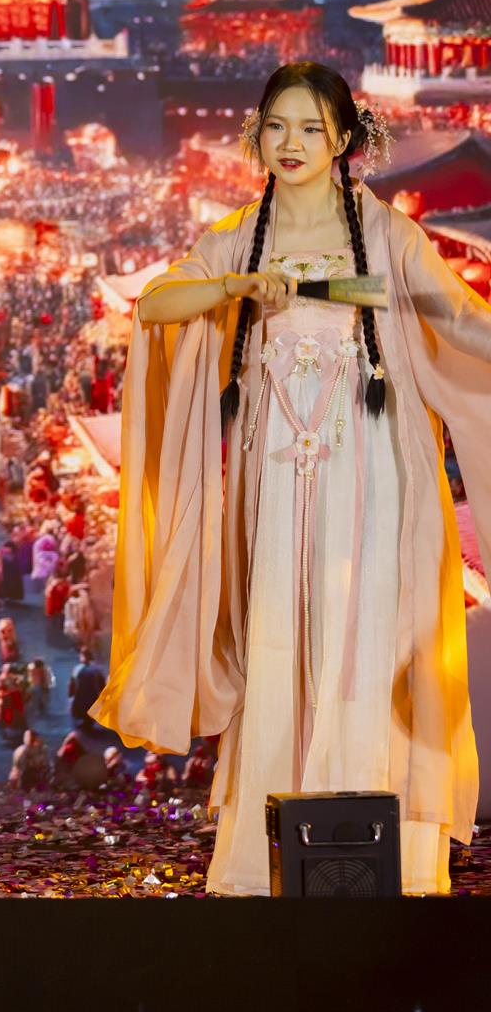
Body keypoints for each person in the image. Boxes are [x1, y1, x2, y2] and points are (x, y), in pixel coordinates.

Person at [96, 60, 491, 896]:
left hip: (371, 467)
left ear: (344, 139)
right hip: (274, 475)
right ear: (256, 134)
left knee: (368, 640)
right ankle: (265, 856)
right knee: (277, 632)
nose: (291, 142)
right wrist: (233, 287)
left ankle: (382, 855)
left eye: (311, 127)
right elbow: (155, 306)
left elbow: (459, 319)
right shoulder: (239, 233)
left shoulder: (387, 233)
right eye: (276, 125)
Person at [67, 647, 106, 731]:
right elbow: (101, 683)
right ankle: (88, 722)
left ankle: (85, 724)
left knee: (82, 709)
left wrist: (70, 694)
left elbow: (72, 683)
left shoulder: (78, 669)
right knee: (89, 709)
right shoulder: (96, 669)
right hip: (92, 695)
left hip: (80, 695)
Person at [62, 581, 100, 655]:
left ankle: (85, 648)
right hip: (77, 625)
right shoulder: (76, 602)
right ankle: (86, 648)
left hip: (75, 625)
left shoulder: (72, 602)